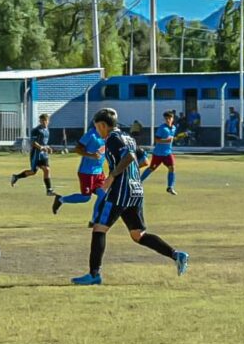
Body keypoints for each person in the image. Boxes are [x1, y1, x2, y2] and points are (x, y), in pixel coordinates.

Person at [70, 108, 189, 285]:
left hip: (120, 192)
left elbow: (129, 156)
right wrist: (130, 173)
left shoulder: (112, 138)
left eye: (97, 127)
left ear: (103, 125)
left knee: (99, 229)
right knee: (138, 235)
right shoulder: (127, 137)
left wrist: (113, 176)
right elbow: (143, 160)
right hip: (136, 190)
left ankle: (94, 275)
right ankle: (176, 255)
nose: (97, 131)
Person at [51, 116, 106, 214]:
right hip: (87, 172)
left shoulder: (107, 135)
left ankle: (95, 220)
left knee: (103, 195)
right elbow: (77, 149)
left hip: (99, 172)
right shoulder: (91, 134)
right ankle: (61, 199)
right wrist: (90, 155)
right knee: (85, 198)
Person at [10, 113, 55, 196]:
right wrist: (42, 148)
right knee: (33, 172)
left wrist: (48, 147)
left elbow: (44, 143)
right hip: (36, 154)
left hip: (43, 154)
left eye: (46, 121)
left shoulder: (47, 130)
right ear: (40, 121)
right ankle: (16, 177)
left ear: (48, 121)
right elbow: (33, 143)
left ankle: (49, 190)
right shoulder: (36, 130)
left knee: (47, 170)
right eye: (42, 121)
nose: (44, 122)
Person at [141, 110, 178, 195]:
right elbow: (157, 140)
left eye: (169, 118)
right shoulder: (162, 128)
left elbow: (171, 139)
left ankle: (170, 187)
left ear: (172, 118)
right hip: (158, 154)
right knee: (151, 168)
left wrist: (170, 141)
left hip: (168, 153)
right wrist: (166, 141)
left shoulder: (174, 128)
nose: (168, 120)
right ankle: (139, 181)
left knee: (172, 168)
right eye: (166, 118)